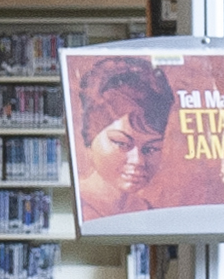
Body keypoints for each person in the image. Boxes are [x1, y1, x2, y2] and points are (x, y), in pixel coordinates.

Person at [74, 61, 177, 222]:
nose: (138, 161)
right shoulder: (75, 205)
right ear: (90, 138)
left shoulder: (146, 211)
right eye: (121, 143)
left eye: (151, 149)